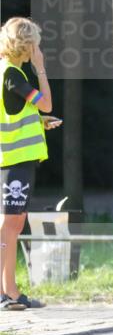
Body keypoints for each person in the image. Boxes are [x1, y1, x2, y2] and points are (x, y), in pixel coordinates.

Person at [1, 17, 60, 311]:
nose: (38, 48)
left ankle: (10, 292)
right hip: (15, 162)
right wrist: (41, 68)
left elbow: (13, 114)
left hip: (10, 160)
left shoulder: (4, 73)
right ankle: (7, 293)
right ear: (27, 46)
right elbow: (47, 102)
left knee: (11, 225)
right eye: (36, 43)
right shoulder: (14, 75)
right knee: (9, 226)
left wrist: (38, 122)